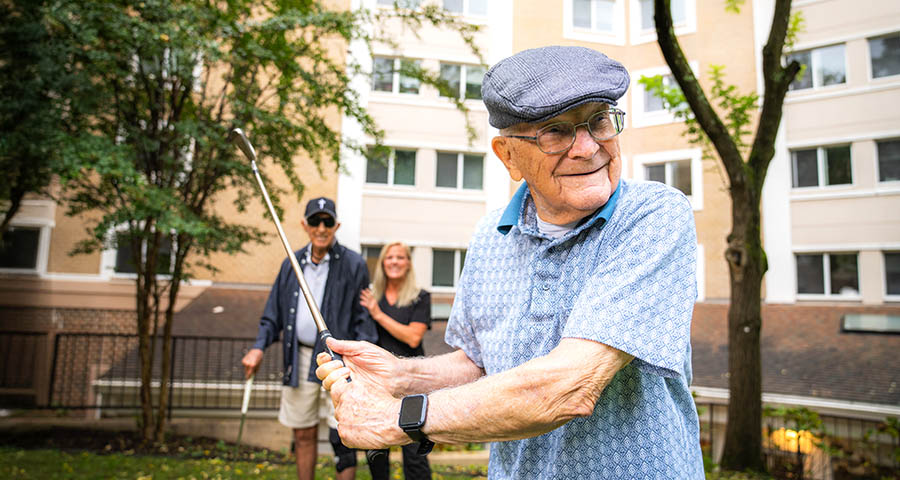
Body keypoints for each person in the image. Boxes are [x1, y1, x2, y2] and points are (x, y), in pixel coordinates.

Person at [316, 46, 704, 479]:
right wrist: (401, 378)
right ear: (508, 156)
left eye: (598, 120)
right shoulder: (490, 236)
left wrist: (397, 418)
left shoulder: (653, 215)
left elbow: (567, 387)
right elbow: (479, 365)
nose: (588, 147)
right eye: (556, 131)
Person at [241, 196, 377, 480]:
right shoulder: (290, 264)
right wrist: (258, 348)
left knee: (344, 434)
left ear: (336, 225)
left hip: (339, 362)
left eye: (328, 221)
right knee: (303, 433)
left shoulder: (354, 264)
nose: (322, 227)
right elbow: (272, 314)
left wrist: (360, 363)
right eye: (315, 221)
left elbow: (363, 320)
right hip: (299, 357)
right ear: (305, 225)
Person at [358, 242, 432, 480]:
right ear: (382, 263)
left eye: (401, 257)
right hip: (378, 383)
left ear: (408, 263)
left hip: (410, 383)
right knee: (376, 447)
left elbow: (413, 337)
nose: (395, 261)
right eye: (389, 257)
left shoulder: (420, 298)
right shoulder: (372, 297)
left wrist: (378, 315)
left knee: (413, 448)